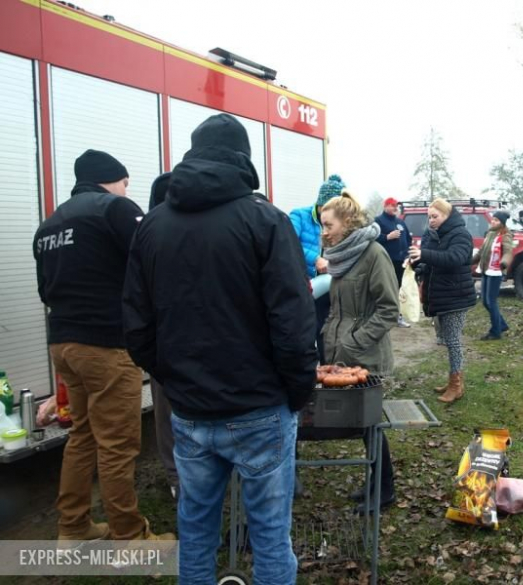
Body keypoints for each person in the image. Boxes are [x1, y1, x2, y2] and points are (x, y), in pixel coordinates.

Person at [123, 114, 317, 584]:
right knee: (271, 536)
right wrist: (296, 393)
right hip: (261, 409)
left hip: (191, 412)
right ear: (243, 160)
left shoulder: (152, 226)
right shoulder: (264, 220)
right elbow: (293, 324)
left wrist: (174, 378)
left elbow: (136, 326)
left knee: (195, 530)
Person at [33, 149, 172, 542]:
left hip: (63, 343)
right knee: (118, 442)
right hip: (107, 344)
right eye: (125, 182)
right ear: (110, 179)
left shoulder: (49, 225)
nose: (127, 189)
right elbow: (152, 259)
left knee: (83, 434)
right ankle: (130, 537)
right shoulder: (115, 209)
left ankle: (73, 527)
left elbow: (45, 290)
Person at [320, 193, 399, 514]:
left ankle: (384, 490)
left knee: (370, 424)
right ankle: (376, 482)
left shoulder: (373, 255)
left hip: (367, 356)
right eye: (322, 225)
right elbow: (337, 308)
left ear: (348, 222)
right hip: (342, 355)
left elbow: (388, 309)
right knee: (365, 425)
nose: (324, 232)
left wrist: (353, 342)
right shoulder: (342, 257)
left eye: (329, 225)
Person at [409, 198, 477, 404]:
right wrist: (416, 266)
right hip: (441, 295)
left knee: (453, 340)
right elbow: (430, 264)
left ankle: (456, 385)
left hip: (457, 296)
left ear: (446, 216)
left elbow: (453, 258)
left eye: (435, 216)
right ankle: (453, 380)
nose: (431, 221)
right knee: (447, 340)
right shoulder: (432, 235)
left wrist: (424, 254)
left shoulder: (461, 235)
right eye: (429, 217)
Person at [289, 174, 347, 361]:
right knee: (307, 329)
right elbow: (288, 242)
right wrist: (315, 259)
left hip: (331, 283)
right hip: (306, 284)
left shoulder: (341, 223)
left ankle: (327, 368)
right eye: (327, 209)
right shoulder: (299, 216)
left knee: (327, 329)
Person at [146, 172, 179, 502]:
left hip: (161, 343)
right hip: (168, 340)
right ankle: (176, 476)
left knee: (166, 410)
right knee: (170, 411)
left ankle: (176, 476)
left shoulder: (147, 232)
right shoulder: (155, 233)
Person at [472, 211, 512, 340]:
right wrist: (469, 261)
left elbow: (508, 251)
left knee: (491, 301)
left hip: (496, 271)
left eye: (496, 220)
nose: (493, 222)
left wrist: (504, 262)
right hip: (485, 270)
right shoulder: (490, 233)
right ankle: (502, 325)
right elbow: (482, 252)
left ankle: (495, 332)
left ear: (502, 223)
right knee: (485, 301)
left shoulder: (505, 235)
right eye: (493, 219)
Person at [374, 197, 413, 327]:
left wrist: (408, 255)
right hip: (386, 261)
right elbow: (372, 238)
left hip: (401, 261)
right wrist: (387, 237)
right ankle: (384, 316)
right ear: (385, 206)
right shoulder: (378, 221)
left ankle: (398, 317)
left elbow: (408, 239)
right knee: (386, 289)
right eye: (392, 205)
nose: (395, 208)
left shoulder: (400, 222)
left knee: (399, 289)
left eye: (396, 205)